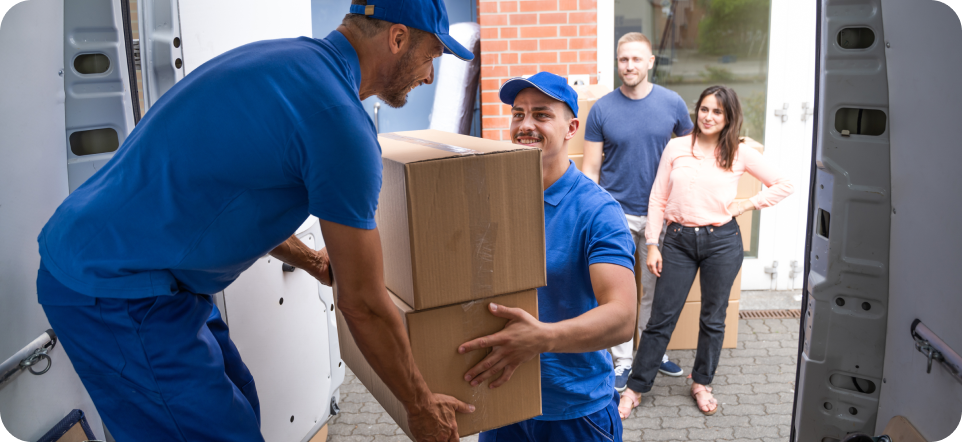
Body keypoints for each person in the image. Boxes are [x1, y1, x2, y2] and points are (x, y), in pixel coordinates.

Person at [34, 1, 478, 440]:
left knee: (240, 401)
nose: (430, 75)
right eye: (431, 55)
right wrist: (420, 407)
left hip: (142, 265)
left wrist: (309, 259)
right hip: (113, 286)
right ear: (398, 38)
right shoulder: (340, 125)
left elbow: (234, 195)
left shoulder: (284, 61)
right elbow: (362, 304)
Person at [452, 72, 637, 441]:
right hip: (503, 398)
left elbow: (622, 318)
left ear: (571, 128)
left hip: (574, 410)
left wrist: (542, 338)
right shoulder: (494, 200)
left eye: (541, 114)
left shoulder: (597, 211)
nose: (526, 124)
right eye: (518, 114)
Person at [618, 85, 794, 418]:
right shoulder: (677, 146)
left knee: (713, 318)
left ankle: (701, 382)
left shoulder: (739, 152)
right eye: (704, 109)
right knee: (660, 318)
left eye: (717, 111)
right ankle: (635, 388)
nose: (708, 116)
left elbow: (784, 184)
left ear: (728, 118)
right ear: (695, 111)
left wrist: (746, 204)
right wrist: (653, 243)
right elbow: (657, 198)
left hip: (722, 242)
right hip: (678, 241)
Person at [582, 32, 694, 391]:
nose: (629, 66)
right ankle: (623, 361)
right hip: (616, 214)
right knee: (621, 289)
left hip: (660, 216)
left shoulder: (673, 104)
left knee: (654, 291)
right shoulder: (602, 109)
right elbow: (590, 170)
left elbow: (692, 155)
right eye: (623, 59)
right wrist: (592, 215)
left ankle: (651, 352)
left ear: (650, 62)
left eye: (635, 59)